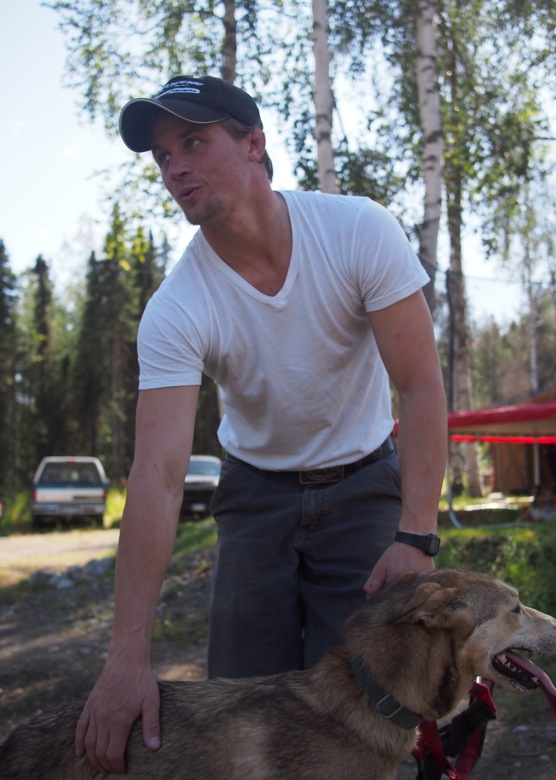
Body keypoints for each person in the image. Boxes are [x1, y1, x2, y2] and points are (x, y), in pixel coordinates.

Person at [75, 75, 447, 773]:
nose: (175, 167)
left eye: (192, 141)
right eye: (161, 156)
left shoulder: (356, 230)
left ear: (254, 145)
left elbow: (420, 386)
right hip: (255, 500)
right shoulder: (178, 308)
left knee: (373, 706)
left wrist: (416, 533)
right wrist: (126, 660)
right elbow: (156, 477)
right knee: (240, 709)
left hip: (364, 484)